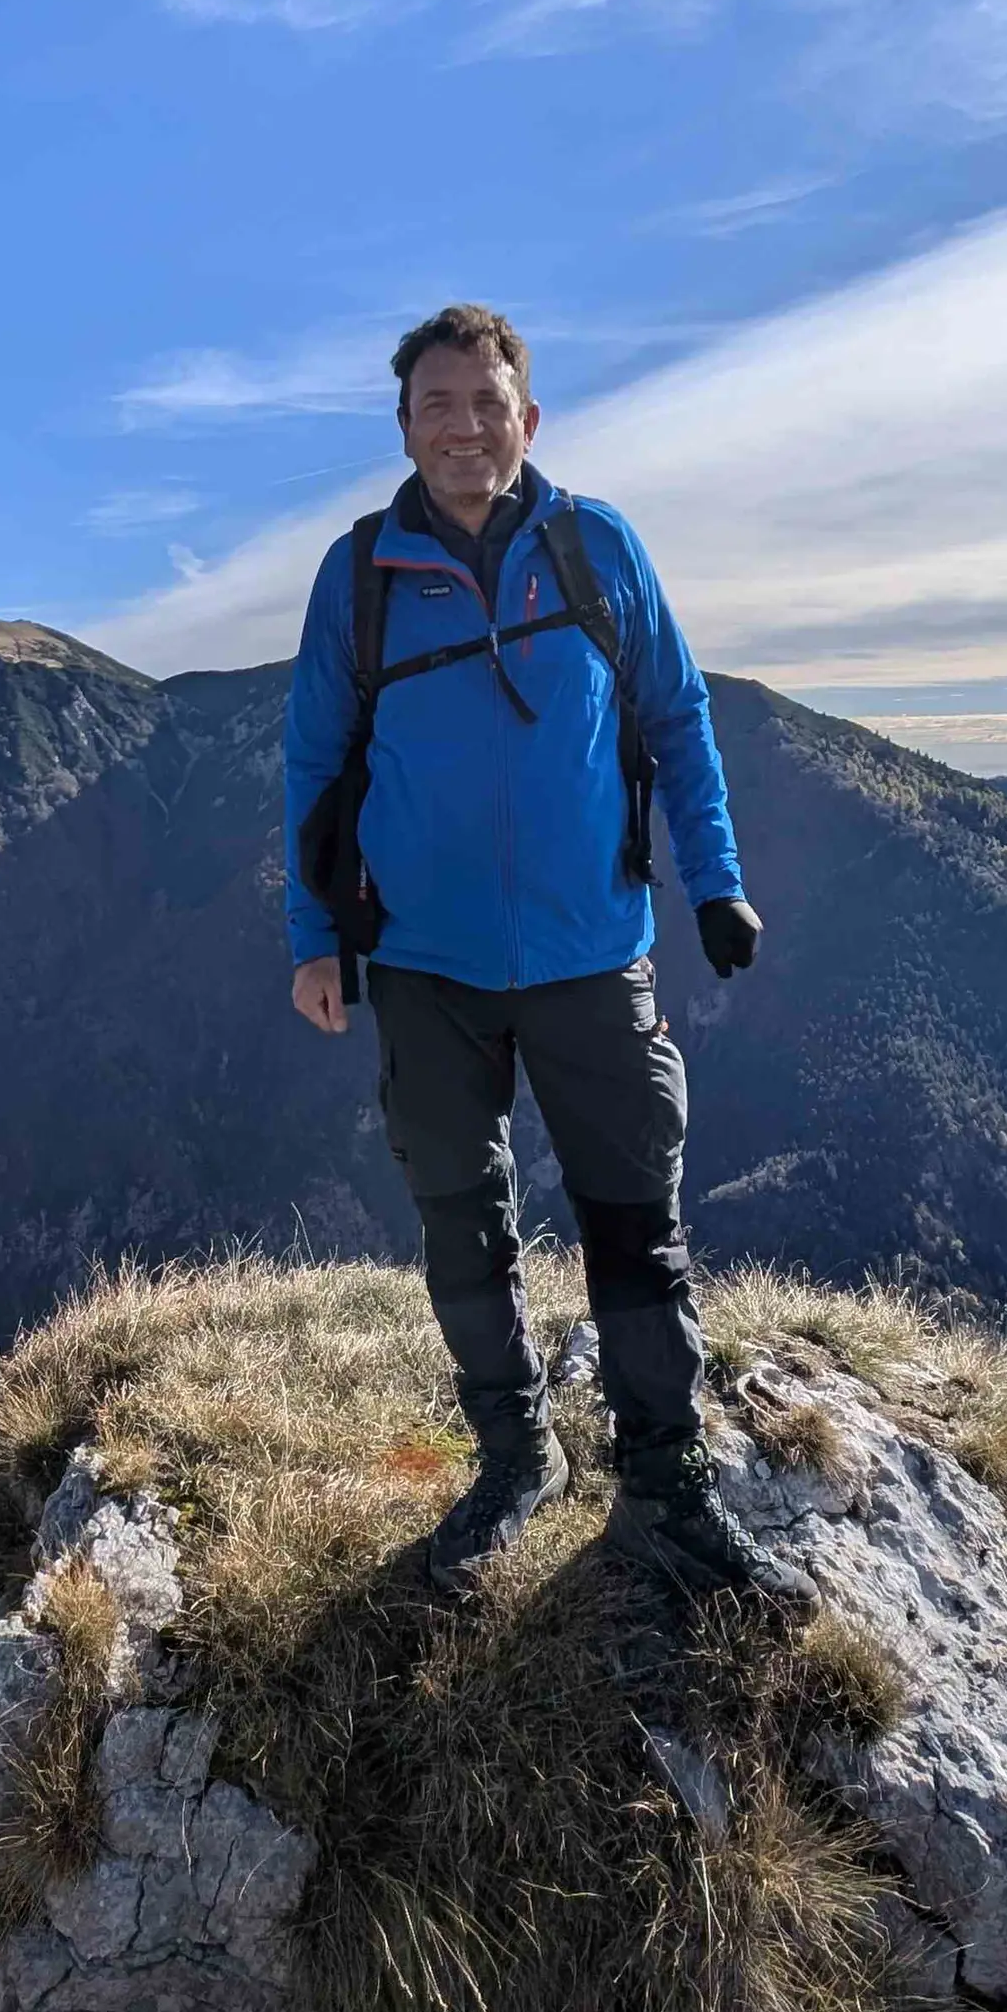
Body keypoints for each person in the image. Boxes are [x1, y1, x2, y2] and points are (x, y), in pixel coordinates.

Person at [283, 300, 819, 1616]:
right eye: (437, 406)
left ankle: (665, 1482)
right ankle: (514, 1457)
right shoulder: (360, 576)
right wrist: (316, 939)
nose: (464, 427)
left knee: (636, 1222)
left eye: (487, 402)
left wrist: (719, 884)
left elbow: (677, 719)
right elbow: (313, 763)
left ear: (529, 416)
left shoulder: (598, 547)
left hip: (593, 952)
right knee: (461, 1223)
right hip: (426, 965)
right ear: (404, 428)